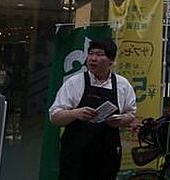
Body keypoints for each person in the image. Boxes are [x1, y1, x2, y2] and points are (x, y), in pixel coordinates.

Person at [49, 38, 137, 180]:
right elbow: (54, 117)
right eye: (91, 53)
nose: (93, 58)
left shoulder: (122, 85)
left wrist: (120, 120)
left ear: (111, 60)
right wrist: (75, 113)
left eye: (99, 54)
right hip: (76, 154)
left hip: (107, 153)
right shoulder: (75, 82)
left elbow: (131, 114)